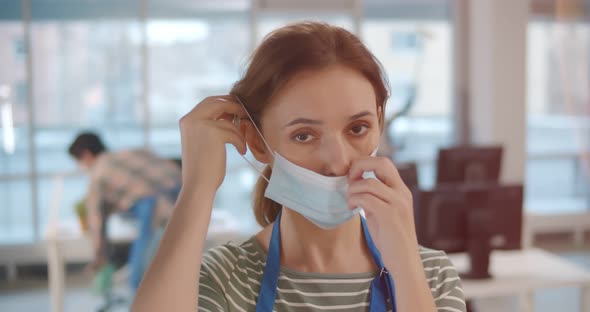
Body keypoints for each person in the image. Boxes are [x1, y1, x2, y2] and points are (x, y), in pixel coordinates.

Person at [132, 22, 466, 311]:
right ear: (259, 142)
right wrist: (197, 188)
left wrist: (405, 263)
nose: (338, 162)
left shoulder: (430, 274)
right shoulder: (224, 277)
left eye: (358, 128)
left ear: (379, 122)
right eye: (304, 135)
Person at [68, 132, 182, 290]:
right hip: (181, 190)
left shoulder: (97, 176)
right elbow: (172, 166)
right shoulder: (131, 153)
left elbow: (96, 221)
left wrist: (99, 258)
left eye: (79, 161)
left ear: (86, 155)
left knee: (140, 277)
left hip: (155, 208)